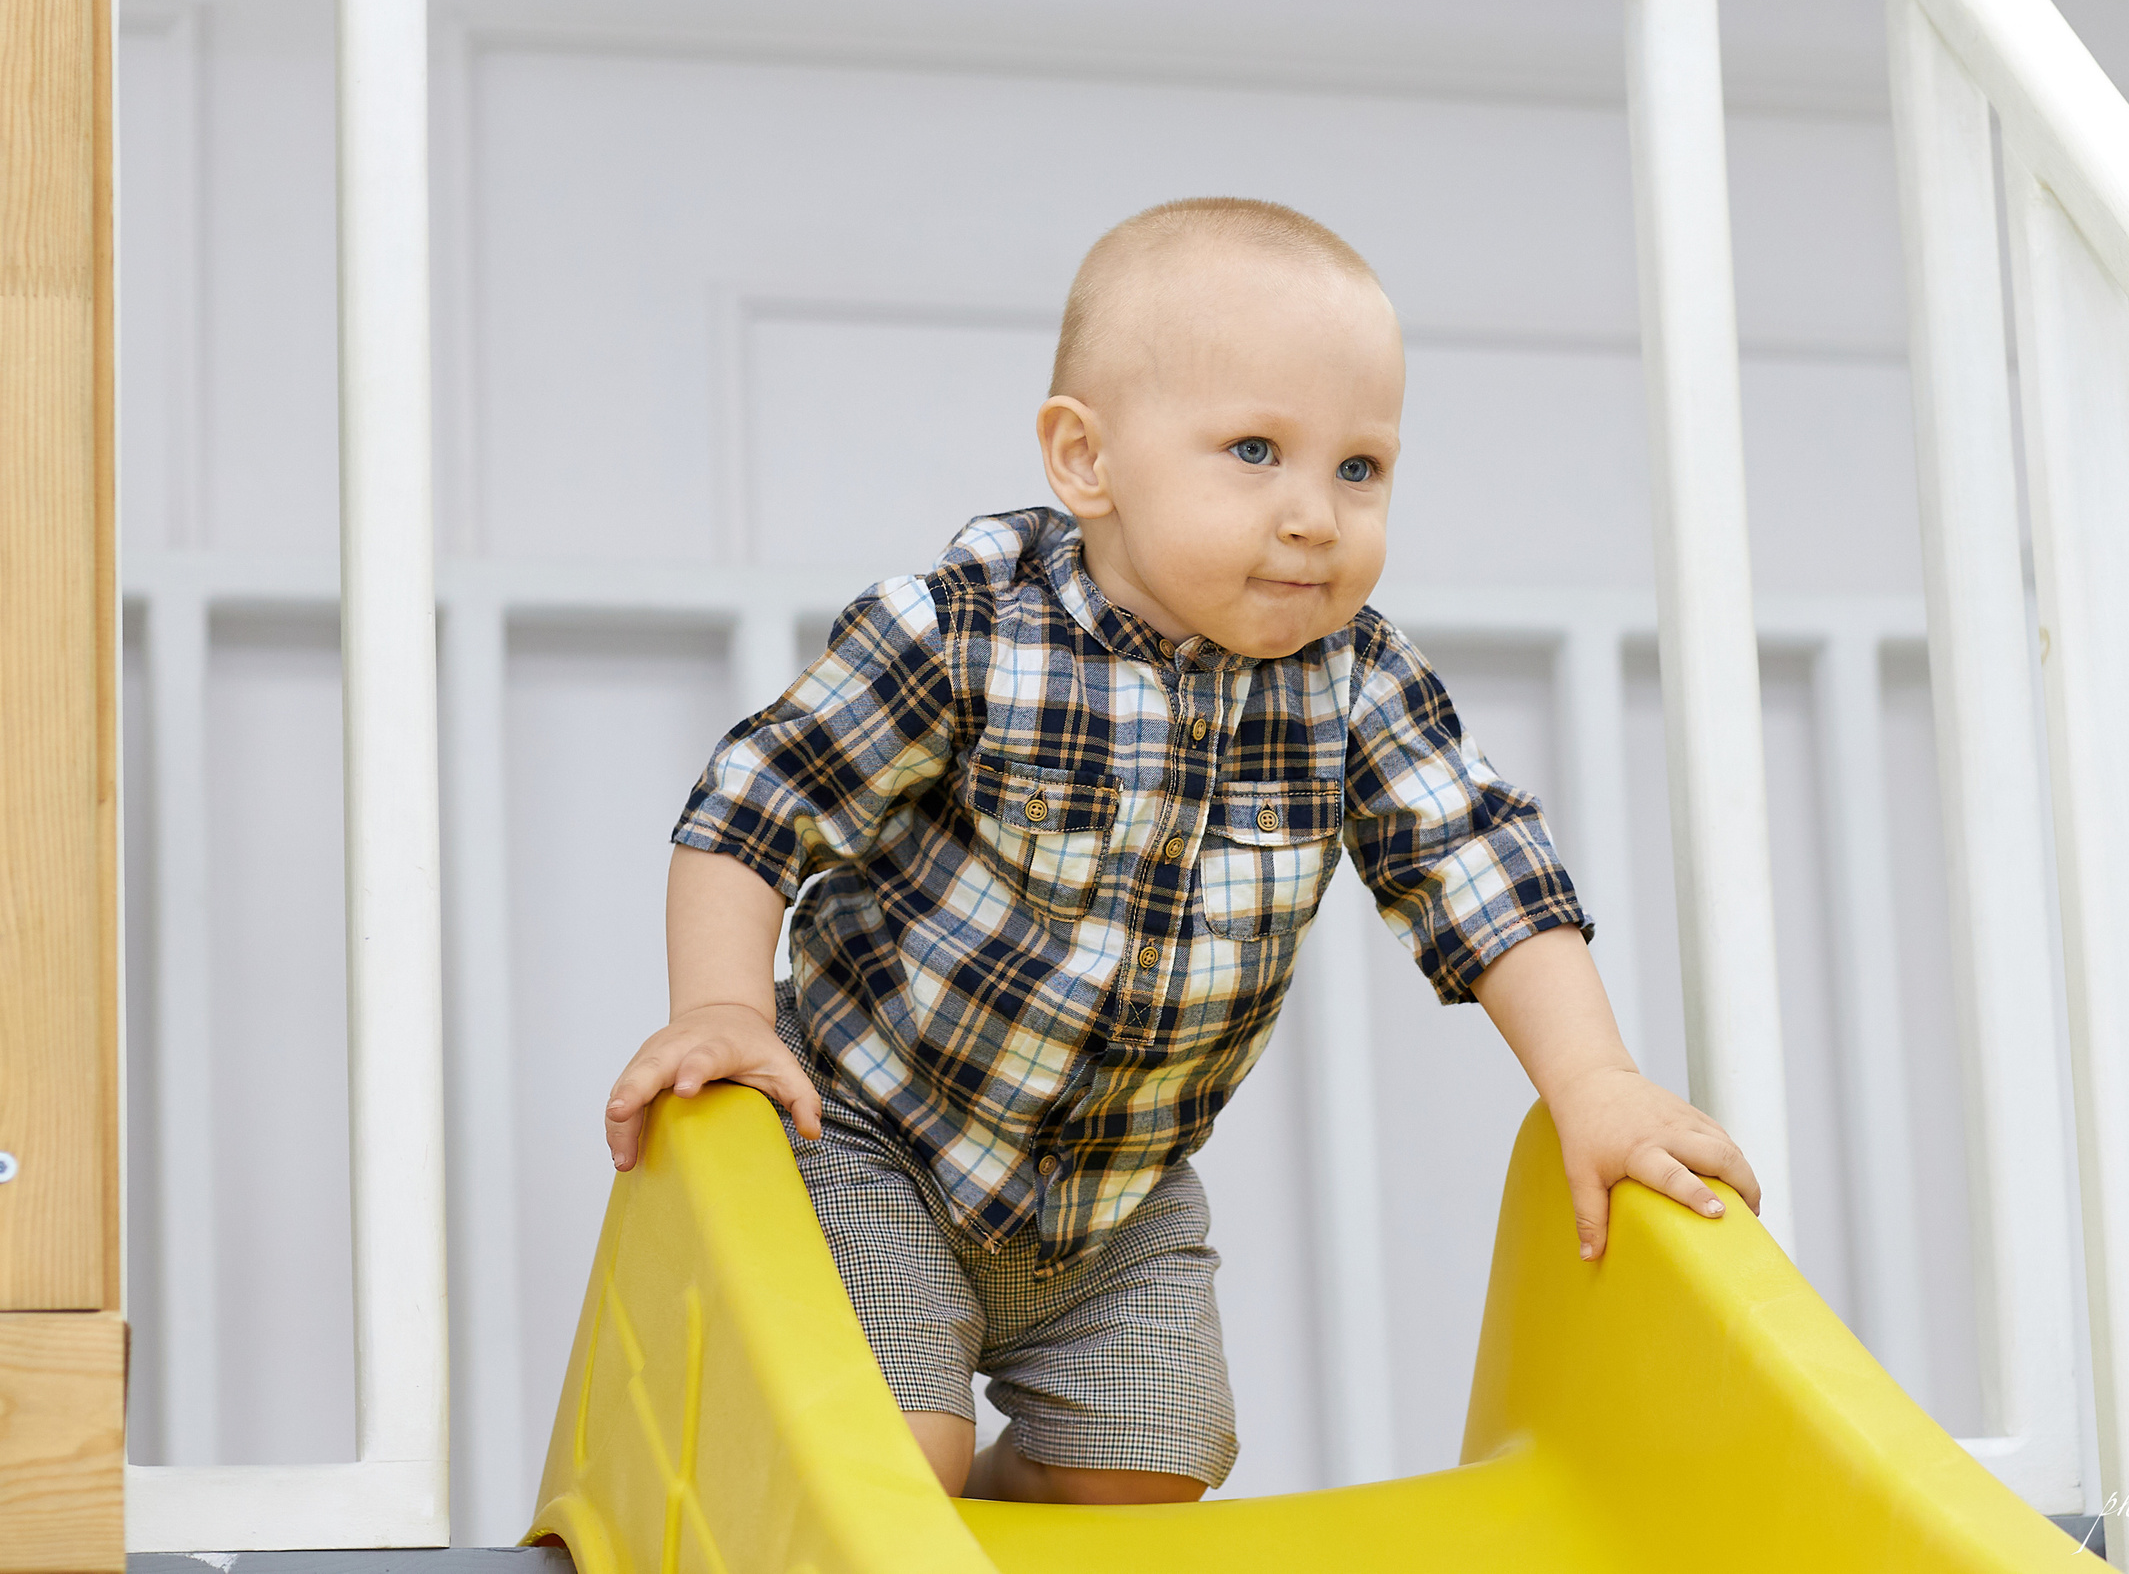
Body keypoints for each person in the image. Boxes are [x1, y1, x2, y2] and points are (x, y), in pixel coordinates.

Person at [600, 196, 1763, 1507]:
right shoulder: (969, 634)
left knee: (1150, 1476)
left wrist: (1593, 1081)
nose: (1315, 515)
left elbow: (1481, 864)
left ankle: (992, 1519)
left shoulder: (1356, 686)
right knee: (886, 1459)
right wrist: (719, 1009)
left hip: (1118, 1196)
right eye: (1256, 450)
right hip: (876, 1141)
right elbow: (757, 804)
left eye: (1359, 468)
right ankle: (912, 1504)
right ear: (1086, 460)